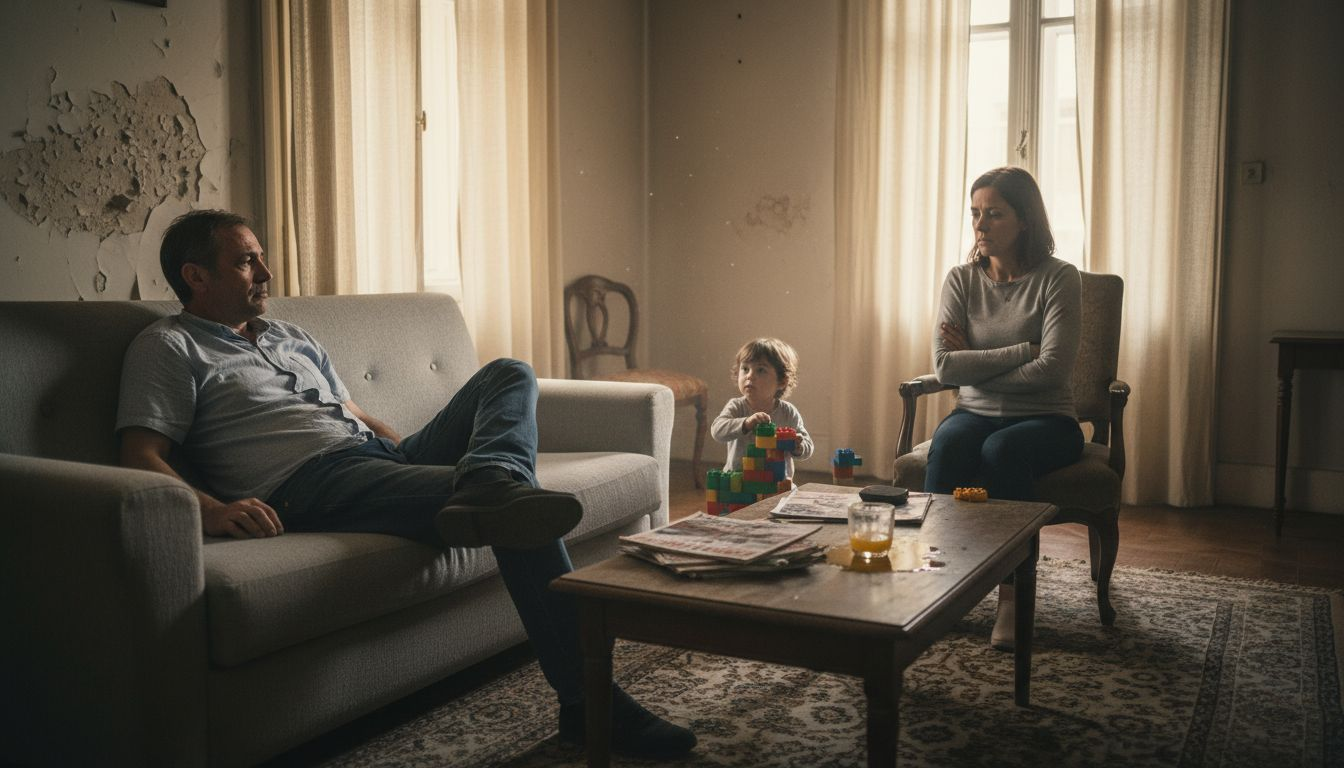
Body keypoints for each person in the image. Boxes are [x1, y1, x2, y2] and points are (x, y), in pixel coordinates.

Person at [115, 209, 695, 759]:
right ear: (196, 276)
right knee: (521, 513)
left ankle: (492, 480)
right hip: (309, 482)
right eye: (246, 261)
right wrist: (213, 510)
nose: (266, 273)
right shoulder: (170, 346)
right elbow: (140, 453)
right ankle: (590, 704)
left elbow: (351, 412)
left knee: (509, 372)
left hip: (376, 457)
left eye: (261, 257)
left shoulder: (288, 334)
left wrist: (402, 450)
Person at [925, 166, 1083, 652]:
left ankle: (1012, 598)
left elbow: (1052, 371)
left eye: (994, 214)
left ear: (1025, 219)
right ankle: (936, 583)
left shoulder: (1059, 278)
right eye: (975, 212)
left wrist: (975, 361)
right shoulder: (960, 279)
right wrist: (1021, 351)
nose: (980, 224)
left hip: (1048, 419)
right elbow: (945, 367)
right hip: (972, 413)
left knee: (1002, 449)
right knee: (948, 443)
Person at [710, 338, 814, 479]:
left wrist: (798, 446)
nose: (750, 376)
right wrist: (746, 423)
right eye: (745, 369)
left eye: (760, 370)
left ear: (782, 381)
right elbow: (717, 431)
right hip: (739, 481)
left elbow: (808, 445)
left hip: (776, 481)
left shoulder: (788, 412)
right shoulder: (737, 406)